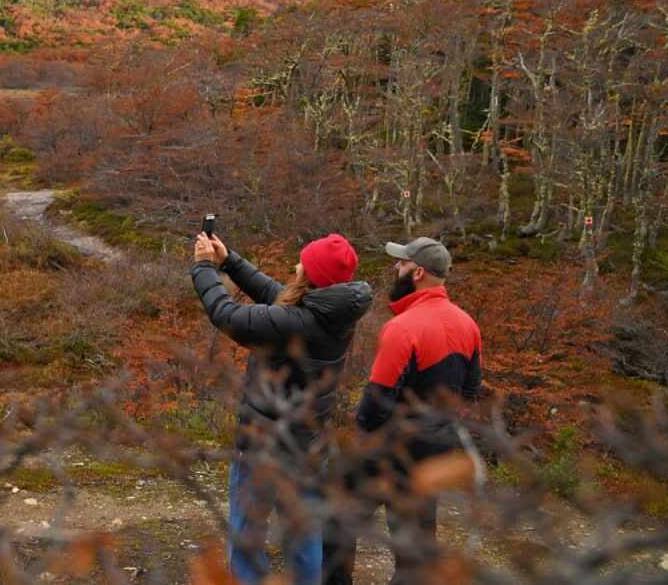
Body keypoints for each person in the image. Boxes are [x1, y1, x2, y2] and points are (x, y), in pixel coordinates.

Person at [192, 231, 373, 585]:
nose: (296, 265)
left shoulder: (299, 323)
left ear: (313, 276)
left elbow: (227, 315)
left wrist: (203, 268)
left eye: (302, 263)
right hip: (307, 443)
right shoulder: (337, 312)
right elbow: (277, 295)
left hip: (264, 442)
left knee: (247, 530)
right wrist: (230, 261)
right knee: (304, 531)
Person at [346, 236, 482, 585]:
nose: (397, 267)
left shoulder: (402, 328)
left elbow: (373, 406)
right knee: (417, 552)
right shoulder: (468, 324)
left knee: (336, 521)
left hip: (389, 451)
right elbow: (469, 393)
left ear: (418, 272)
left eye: (402, 263)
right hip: (435, 450)